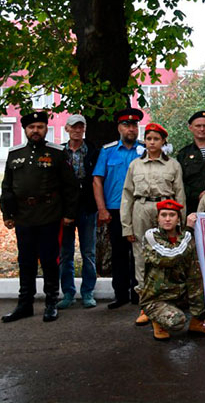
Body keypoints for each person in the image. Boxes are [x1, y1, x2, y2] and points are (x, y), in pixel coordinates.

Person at [1, 111, 79, 323]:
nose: (36, 131)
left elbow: (70, 186)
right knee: (25, 261)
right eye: (31, 127)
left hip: (49, 214)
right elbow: (7, 186)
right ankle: (24, 304)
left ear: (46, 129)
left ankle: (51, 302)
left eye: (40, 127)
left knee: (49, 260)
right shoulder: (15, 153)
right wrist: (7, 214)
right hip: (23, 216)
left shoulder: (56, 153)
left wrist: (69, 214)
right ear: (26, 130)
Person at [120, 122, 186, 326]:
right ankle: (146, 306)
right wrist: (127, 226)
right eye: (148, 138)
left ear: (163, 141)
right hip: (141, 208)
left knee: (167, 253)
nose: (152, 142)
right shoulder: (135, 165)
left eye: (156, 139)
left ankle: (167, 302)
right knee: (141, 255)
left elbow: (179, 192)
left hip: (166, 210)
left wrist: (181, 222)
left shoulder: (172, 165)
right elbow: (127, 195)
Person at [141, 199, 205, 340]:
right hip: (158, 298)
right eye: (163, 215)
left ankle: (197, 321)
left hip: (180, 293)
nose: (167, 219)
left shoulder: (185, 236)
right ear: (157, 218)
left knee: (198, 267)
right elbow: (170, 256)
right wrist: (189, 230)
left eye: (172, 215)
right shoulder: (151, 235)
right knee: (177, 321)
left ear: (178, 219)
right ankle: (157, 320)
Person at [93, 107, 145, 309]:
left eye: (134, 125)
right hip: (115, 209)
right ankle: (121, 294)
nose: (131, 129)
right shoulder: (108, 152)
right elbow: (97, 180)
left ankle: (139, 292)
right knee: (119, 253)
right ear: (119, 128)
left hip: (139, 208)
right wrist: (102, 209)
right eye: (126, 125)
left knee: (140, 251)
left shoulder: (145, 150)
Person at [57, 114, 100, 310]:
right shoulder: (59, 152)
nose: (77, 130)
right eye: (73, 127)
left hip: (88, 207)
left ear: (84, 129)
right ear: (66, 129)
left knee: (89, 252)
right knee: (65, 252)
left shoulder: (93, 151)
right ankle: (68, 292)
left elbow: (99, 179)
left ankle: (88, 292)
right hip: (65, 208)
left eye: (80, 127)